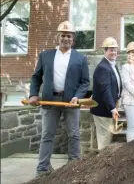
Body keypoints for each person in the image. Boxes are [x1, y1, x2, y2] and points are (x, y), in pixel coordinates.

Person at [28, 21, 89, 176]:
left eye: (69, 36)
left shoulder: (80, 58)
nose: (66, 38)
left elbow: (85, 82)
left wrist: (77, 96)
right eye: (63, 35)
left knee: (73, 134)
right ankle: (42, 169)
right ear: (58, 37)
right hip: (50, 100)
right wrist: (33, 94)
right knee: (47, 135)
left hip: (71, 102)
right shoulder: (45, 56)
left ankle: (74, 166)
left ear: (73, 38)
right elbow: (36, 78)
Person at [90, 37, 122, 150]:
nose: (113, 52)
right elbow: (105, 90)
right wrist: (113, 109)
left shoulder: (112, 64)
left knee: (106, 138)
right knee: (104, 141)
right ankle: (101, 165)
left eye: (115, 50)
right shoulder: (103, 67)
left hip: (108, 109)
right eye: (111, 50)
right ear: (105, 51)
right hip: (103, 110)